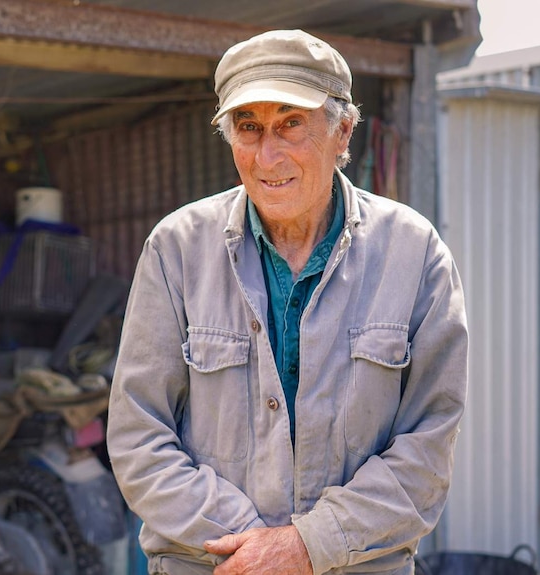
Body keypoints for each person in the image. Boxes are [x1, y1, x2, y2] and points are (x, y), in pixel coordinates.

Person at [106, 29, 468, 575]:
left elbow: (428, 446)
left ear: (342, 130)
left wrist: (309, 544)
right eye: (248, 128)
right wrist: (256, 550)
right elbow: (139, 435)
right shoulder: (176, 249)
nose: (266, 154)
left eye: (290, 123)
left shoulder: (414, 253)